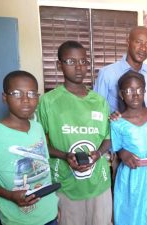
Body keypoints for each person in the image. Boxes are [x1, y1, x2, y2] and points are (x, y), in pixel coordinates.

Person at [37, 41, 112, 225]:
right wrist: (65, 155)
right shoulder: (48, 101)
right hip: (66, 184)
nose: (79, 67)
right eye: (71, 61)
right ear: (58, 65)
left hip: (99, 183)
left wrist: (98, 154)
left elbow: (108, 138)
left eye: (83, 61)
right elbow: (40, 145)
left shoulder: (99, 101)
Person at [0, 70, 58, 225]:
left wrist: (55, 208)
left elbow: (44, 167)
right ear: (5, 98)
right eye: (17, 93)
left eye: (31, 94)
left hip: (49, 213)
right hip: (18, 220)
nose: (25, 100)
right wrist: (9, 195)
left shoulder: (37, 127)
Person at [110, 71, 147, 225]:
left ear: (145, 92)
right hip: (129, 177)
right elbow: (117, 148)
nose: (135, 95)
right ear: (121, 95)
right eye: (129, 91)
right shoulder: (117, 121)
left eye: (139, 90)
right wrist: (123, 154)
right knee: (129, 214)